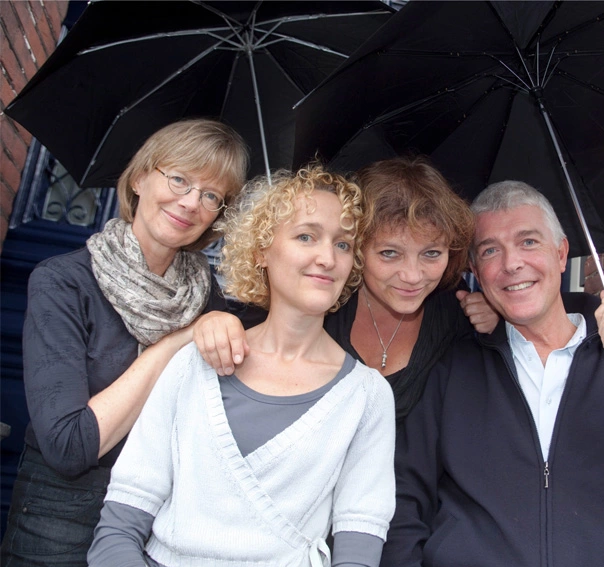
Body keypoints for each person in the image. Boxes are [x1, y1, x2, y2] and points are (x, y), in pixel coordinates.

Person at [380, 180, 604, 567]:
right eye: (490, 250)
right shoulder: (451, 367)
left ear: (562, 253)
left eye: (528, 241)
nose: (511, 263)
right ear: (476, 272)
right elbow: (402, 505)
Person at [87, 165, 396, 567]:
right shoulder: (193, 365)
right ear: (261, 250)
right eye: (306, 236)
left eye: (343, 244)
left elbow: (358, 553)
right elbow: (117, 532)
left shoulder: (365, 396)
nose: (327, 258)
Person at [0, 119, 249, 567]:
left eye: (212, 196)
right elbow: (69, 445)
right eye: (179, 179)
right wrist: (174, 343)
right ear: (139, 178)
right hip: (58, 521)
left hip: (160, 519)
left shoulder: (209, 302)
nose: (191, 202)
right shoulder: (64, 282)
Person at [195, 156, 498, 424]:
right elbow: (257, 328)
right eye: (389, 253)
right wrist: (214, 323)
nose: (412, 276)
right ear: (356, 249)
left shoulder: (458, 313)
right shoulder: (321, 298)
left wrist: (499, 323)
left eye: (431, 254)